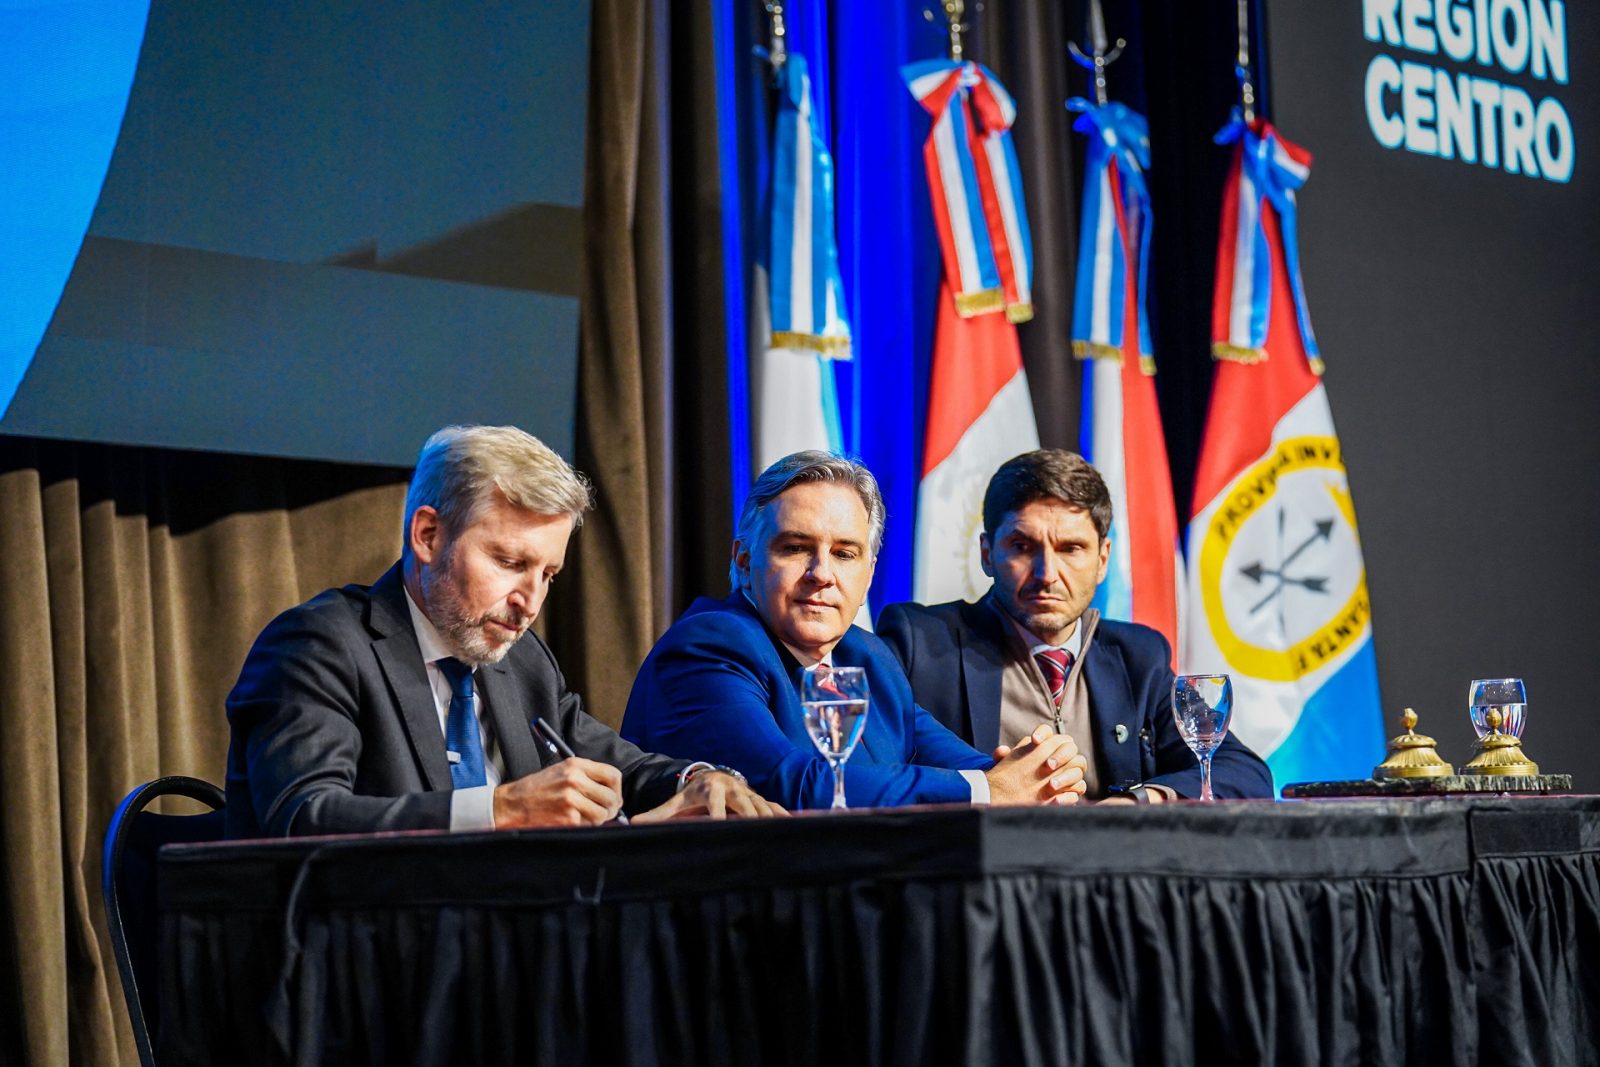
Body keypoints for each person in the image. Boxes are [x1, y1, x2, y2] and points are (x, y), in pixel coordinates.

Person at [224, 425, 782, 838]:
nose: (530, 602)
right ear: (428, 535)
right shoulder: (319, 646)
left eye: (548, 574)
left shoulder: (521, 659)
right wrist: (503, 809)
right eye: (511, 563)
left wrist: (697, 778)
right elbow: (303, 818)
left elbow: (621, 767)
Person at [621, 451, 1090, 811]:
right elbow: (792, 785)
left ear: (868, 577)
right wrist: (990, 789)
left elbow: (964, 765)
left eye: (844, 554)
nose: (821, 574)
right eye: (796, 548)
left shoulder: (865, 655)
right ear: (744, 562)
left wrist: (1037, 773)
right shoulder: (709, 648)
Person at [878, 450, 1272, 803]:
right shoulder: (919, 642)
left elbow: (1243, 772)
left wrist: (1137, 804)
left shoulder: (1138, 657)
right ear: (987, 554)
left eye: (1071, 548)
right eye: (1022, 547)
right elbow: (874, 773)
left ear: (1102, 559)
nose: (1047, 574)